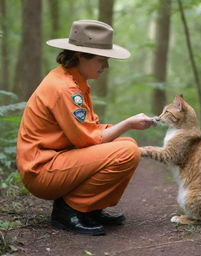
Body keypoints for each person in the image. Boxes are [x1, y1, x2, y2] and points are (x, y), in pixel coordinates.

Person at [16, 20, 155, 236]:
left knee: (126, 144)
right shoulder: (64, 87)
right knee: (126, 151)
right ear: (80, 56)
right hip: (41, 169)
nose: (105, 66)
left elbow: (88, 129)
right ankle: (68, 210)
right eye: (102, 60)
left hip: (58, 159)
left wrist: (124, 129)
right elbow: (87, 139)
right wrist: (127, 123)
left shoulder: (75, 80)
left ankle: (90, 207)